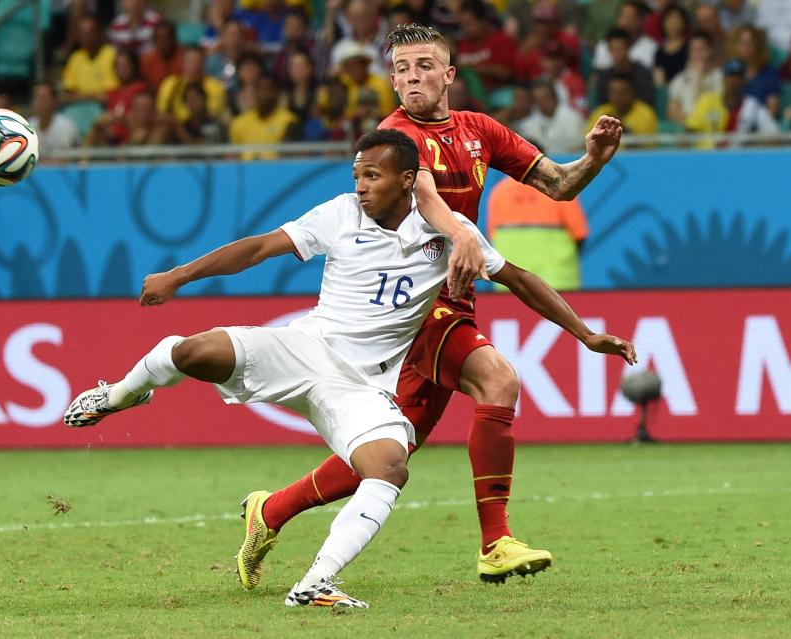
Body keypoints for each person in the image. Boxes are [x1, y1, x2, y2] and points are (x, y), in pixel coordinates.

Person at [64, 128, 638, 608]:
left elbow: (519, 278)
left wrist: (585, 334)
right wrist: (178, 276)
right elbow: (260, 247)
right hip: (306, 349)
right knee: (192, 351)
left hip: (362, 384)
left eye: (373, 176)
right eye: (357, 175)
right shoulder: (338, 214)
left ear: (407, 180)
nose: (361, 186)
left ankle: (316, 583)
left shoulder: (448, 235)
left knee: (389, 465)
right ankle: (118, 395)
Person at [237, 22, 627, 590]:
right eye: (400, 69)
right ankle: (496, 542)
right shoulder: (394, 139)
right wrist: (462, 236)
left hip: (453, 303)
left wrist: (594, 159)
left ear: (449, 74)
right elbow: (423, 192)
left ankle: (269, 511)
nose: (411, 77)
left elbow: (560, 185)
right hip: (410, 308)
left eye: (424, 66)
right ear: (391, 79)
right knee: (499, 382)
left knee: (388, 452)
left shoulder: (479, 130)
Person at [486, 177, 589, 290]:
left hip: (509, 280)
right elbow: (580, 234)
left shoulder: (500, 190)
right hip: (557, 280)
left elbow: (492, 237)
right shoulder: (560, 189)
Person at [516, 80, 585, 155]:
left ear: (555, 98)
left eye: (545, 98)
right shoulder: (527, 125)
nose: (543, 103)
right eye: (538, 100)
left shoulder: (573, 118)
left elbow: (580, 146)